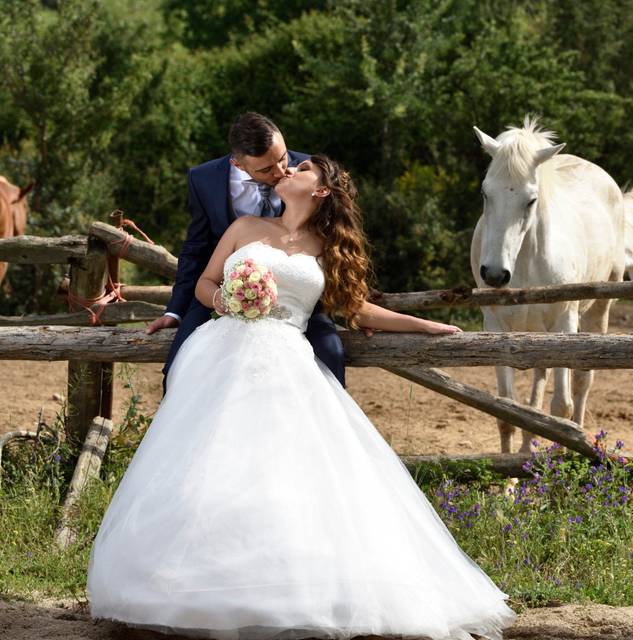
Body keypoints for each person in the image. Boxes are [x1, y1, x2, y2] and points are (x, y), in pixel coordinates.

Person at [88, 154, 516, 640]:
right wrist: (226, 299)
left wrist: (423, 324)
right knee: (211, 464)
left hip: (288, 359)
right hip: (222, 354)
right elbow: (206, 283)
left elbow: (355, 307)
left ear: (322, 191)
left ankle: (287, 586)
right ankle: (192, 586)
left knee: (285, 470)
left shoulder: (326, 245)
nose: (290, 168)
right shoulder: (245, 226)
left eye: (305, 167)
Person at [148, 112, 347, 388]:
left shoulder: (306, 171)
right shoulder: (204, 179)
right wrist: (176, 311)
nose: (279, 173)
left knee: (332, 355)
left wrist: (353, 302)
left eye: (282, 158)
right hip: (222, 294)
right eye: (266, 170)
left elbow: (342, 237)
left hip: (294, 305)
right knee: (177, 370)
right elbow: (195, 249)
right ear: (238, 164)